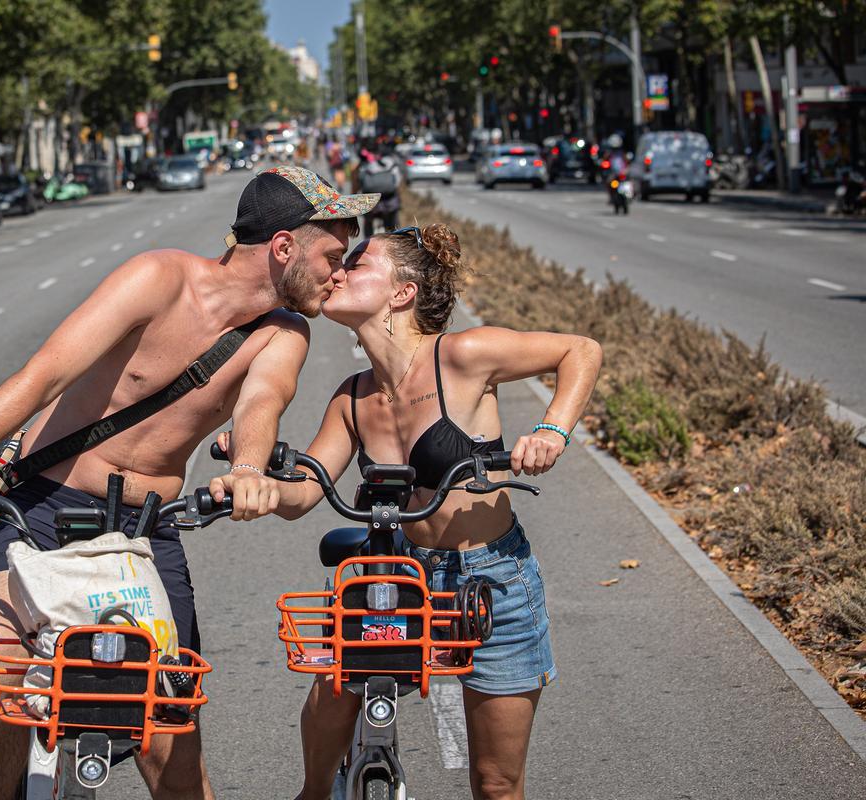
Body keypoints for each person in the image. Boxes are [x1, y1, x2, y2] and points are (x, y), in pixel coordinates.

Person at [0, 165, 379, 800]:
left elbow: (261, 404)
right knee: (3, 662)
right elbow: (43, 374)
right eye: (332, 253)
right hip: (42, 507)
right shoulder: (158, 278)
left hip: (143, 531)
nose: (339, 272)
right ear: (284, 246)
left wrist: (246, 471)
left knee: (168, 726)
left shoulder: (283, 334)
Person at [216, 223, 601, 800]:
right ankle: (314, 794)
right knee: (332, 686)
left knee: (496, 782)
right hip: (403, 574)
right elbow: (305, 493)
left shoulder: (463, 356)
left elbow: (581, 351)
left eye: (356, 263)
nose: (336, 272)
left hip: (492, 581)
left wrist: (552, 429)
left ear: (402, 293)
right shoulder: (351, 396)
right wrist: (261, 483)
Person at [353, 145, 402, 235]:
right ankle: (395, 239)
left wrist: (354, 195)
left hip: (371, 202)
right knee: (393, 226)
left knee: (368, 222)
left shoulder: (364, 164)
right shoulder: (390, 161)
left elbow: (357, 182)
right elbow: (397, 181)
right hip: (390, 201)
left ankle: (367, 242)